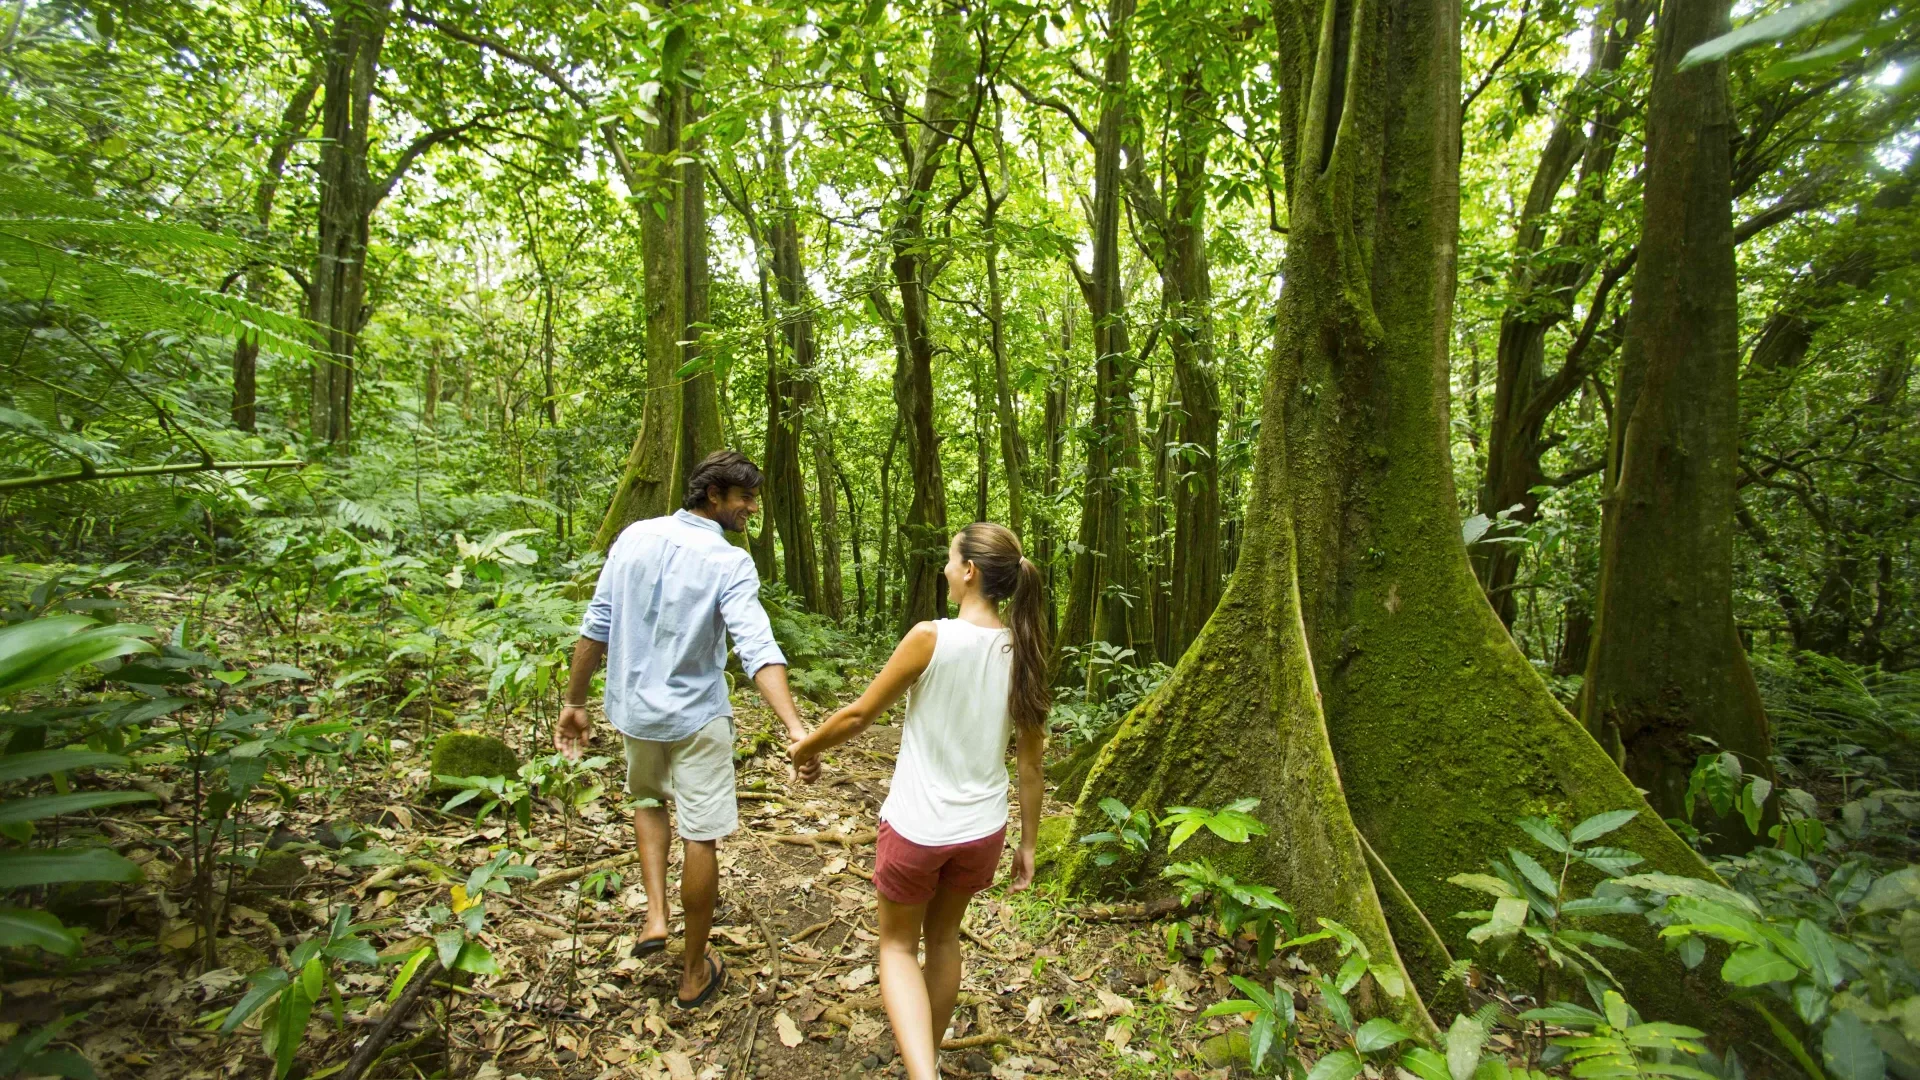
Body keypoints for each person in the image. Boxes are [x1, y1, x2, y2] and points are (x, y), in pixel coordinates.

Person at [555, 449, 817, 1010]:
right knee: (701, 835)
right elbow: (757, 648)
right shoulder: (729, 562)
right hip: (697, 717)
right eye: (744, 497)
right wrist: (795, 728)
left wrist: (574, 701)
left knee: (648, 800)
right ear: (713, 496)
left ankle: (656, 914)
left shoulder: (633, 537)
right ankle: (693, 972)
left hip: (633, 712)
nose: (751, 508)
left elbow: (595, 627)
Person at [789, 522, 1050, 1080]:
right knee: (946, 938)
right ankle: (924, 1055)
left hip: (917, 827)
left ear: (969, 572)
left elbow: (861, 715)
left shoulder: (931, 636)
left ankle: (922, 1074)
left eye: (951, 560)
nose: (945, 569)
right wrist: (1028, 844)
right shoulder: (1023, 650)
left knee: (898, 948)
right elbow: (1031, 765)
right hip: (983, 830)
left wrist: (805, 748)